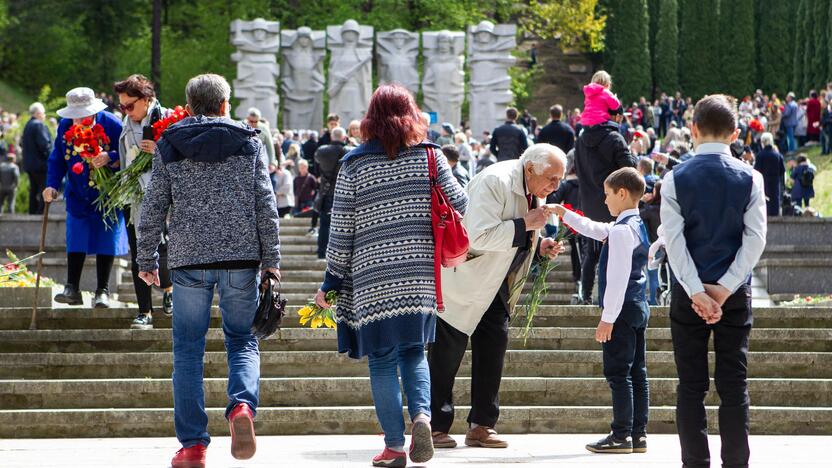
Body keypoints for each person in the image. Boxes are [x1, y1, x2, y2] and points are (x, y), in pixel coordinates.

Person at [313, 84, 469, 468]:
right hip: (418, 276)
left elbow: (342, 229)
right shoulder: (431, 157)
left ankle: (395, 447)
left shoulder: (353, 164)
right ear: (412, 114)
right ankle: (422, 417)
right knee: (414, 353)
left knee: (381, 361)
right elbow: (461, 202)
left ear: (370, 118)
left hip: (372, 280)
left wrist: (330, 282)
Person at [136, 74, 281, 468]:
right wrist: (272, 261)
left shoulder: (169, 143)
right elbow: (265, 205)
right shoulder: (249, 141)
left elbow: (153, 207)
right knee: (242, 340)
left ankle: (194, 446)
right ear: (223, 105)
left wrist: (146, 260)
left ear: (190, 103)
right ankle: (241, 409)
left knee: (187, 350)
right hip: (240, 259)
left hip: (188, 261)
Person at [429, 144, 566, 450]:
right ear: (530, 168)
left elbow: (516, 231)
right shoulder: (495, 180)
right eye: (552, 178)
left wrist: (539, 244)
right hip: (467, 278)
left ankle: (482, 425)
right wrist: (525, 226)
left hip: (498, 282)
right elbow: (476, 234)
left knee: (493, 352)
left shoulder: (534, 186)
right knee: (446, 355)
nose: (555, 186)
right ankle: (435, 426)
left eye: (559, 180)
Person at [661, 94, 767, 468]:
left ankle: (695, 462)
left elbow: (673, 242)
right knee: (734, 386)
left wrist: (696, 290)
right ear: (736, 133)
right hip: (734, 295)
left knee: (691, 386)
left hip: (688, 295)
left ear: (693, 130)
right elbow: (755, 239)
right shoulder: (750, 177)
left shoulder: (674, 178)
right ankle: (736, 463)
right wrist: (725, 288)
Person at [551, 167, 651, 454]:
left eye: (608, 195)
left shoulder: (621, 231)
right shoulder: (634, 225)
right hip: (637, 305)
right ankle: (637, 434)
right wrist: (563, 213)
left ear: (622, 193)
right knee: (637, 373)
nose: (604, 200)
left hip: (622, 308)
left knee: (618, 373)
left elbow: (617, 279)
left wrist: (607, 319)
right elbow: (594, 228)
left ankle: (620, 435)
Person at [44, 87, 128, 308]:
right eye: (74, 116)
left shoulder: (112, 124)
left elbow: (130, 153)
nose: (78, 120)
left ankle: (103, 291)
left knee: (106, 241)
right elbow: (58, 159)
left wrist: (109, 156)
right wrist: (52, 185)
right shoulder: (64, 126)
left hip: (108, 194)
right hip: (78, 193)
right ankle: (72, 288)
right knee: (76, 238)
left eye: (83, 115)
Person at [114, 74, 174, 329]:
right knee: (137, 252)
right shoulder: (126, 124)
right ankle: (144, 311)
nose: (126, 111)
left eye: (130, 105)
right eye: (122, 106)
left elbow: (182, 159)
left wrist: (159, 149)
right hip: (131, 196)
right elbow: (125, 157)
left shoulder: (167, 118)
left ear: (147, 100)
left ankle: (170, 288)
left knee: (161, 247)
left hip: (159, 195)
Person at [574, 105, 638, 305]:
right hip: (613, 205)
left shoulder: (580, 140)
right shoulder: (614, 138)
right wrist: (632, 151)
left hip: (589, 204)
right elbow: (630, 169)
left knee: (591, 253)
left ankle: (585, 295)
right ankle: (606, 298)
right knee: (614, 253)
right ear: (616, 116)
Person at [547, 150, 582, 290]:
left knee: (575, 249)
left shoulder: (567, 185)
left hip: (572, 221)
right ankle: (583, 278)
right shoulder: (590, 186)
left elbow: (553, 199)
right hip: (587, 219)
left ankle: (577, 275)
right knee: (587, 250)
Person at [313, 126, 349, 259]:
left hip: (325, 192)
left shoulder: (322, 151)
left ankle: (322, 252)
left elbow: (316, 164)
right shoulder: (349, 151)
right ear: (344, 137)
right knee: (342, 225)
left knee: (324, 224)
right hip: (343, 192)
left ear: (332, 137)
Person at [21, 102, 52, 215]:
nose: (44, 116)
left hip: (30, 164)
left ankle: (32, 211)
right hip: (40, 165)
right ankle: (41, 212)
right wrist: (51, 158)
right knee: (44, 189)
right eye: (43, 113)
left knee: (33, 190)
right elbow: (44, 145)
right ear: (38, 113)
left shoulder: (28, 125)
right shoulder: (38, 125)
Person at [753, 132, 786, 216]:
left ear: (762, 142)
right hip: (775, 182)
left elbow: (756, 170)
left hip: (763, 181)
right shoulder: (778, 155)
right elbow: (782, 171)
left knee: (763, 200)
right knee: (775, 200)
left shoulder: (760, 155)